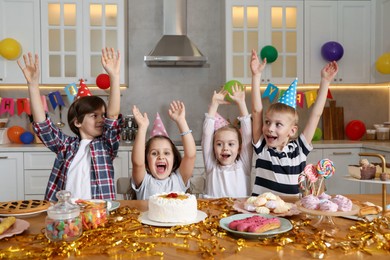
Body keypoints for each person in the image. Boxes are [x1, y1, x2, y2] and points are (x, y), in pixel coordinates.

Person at [17, 47, 122, 202]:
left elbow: (112, 116)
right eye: (94, 116)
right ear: (78, 122)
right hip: (66, 214)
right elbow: (42, 126)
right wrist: (33, 85)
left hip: (97, 215)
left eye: (103, 115)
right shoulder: (66, 146)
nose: (101, 120)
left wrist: (114, 76)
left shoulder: (106, 145)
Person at [250, 49, 338, 196]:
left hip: (293, 209)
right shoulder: (263, 148)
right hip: (263, 212)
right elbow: (256, 111)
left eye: (278, 124)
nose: (270, 128)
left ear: (292, 130)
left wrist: (325, 81)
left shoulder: (299, 149)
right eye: (267, 122)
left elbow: (316, 114)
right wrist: (256, 75)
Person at [131, 101, 196, 200]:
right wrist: (142, 128)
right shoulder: (144, 181)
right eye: (154, 153)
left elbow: (190, 156)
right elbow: (137, 163)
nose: (161, 157)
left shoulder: (178, 179)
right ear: (146, 160)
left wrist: (181, 121)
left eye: (166, 153)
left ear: (174, 159)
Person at [202, 84, 252, 198]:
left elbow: (247, 134)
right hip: (215, 215)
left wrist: (241, 103)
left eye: (231, 144)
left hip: (240, 215)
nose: (225, 148)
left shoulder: (243, 165)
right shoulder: (211, 166)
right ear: (213, 148)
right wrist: (214, 105)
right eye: (219, 144)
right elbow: (206, 135)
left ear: (239, 149)